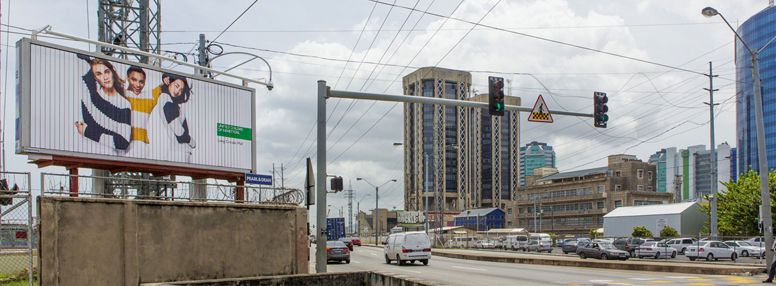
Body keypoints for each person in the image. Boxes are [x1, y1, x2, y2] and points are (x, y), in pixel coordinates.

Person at [75, 55, 132, 154]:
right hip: (86, 152)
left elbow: (123, 143)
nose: (105, 77)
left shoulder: (124, 104)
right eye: (99, 74)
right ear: (95, 77)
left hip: (110, 158)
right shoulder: (90, 95)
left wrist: (88, 132)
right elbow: (81, 59)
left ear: (112, 72)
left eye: (106, 72)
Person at [147, 72, 195, 162]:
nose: (177, 92)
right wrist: (191, 141)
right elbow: (178, 130)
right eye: (176, 86)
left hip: (179, 151)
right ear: (170, 82)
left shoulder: (170, 101)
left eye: (181, 90)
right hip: (179, 152)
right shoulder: (165, 98)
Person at [124, 66, 162, 158]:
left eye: (141, 82)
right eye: (134, 80)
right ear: (127, 78)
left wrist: (164, 74)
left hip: (139, 142)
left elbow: (166, 83)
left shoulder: (149, 97)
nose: (138, 84)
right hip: (119, 141)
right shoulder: (120, 93)